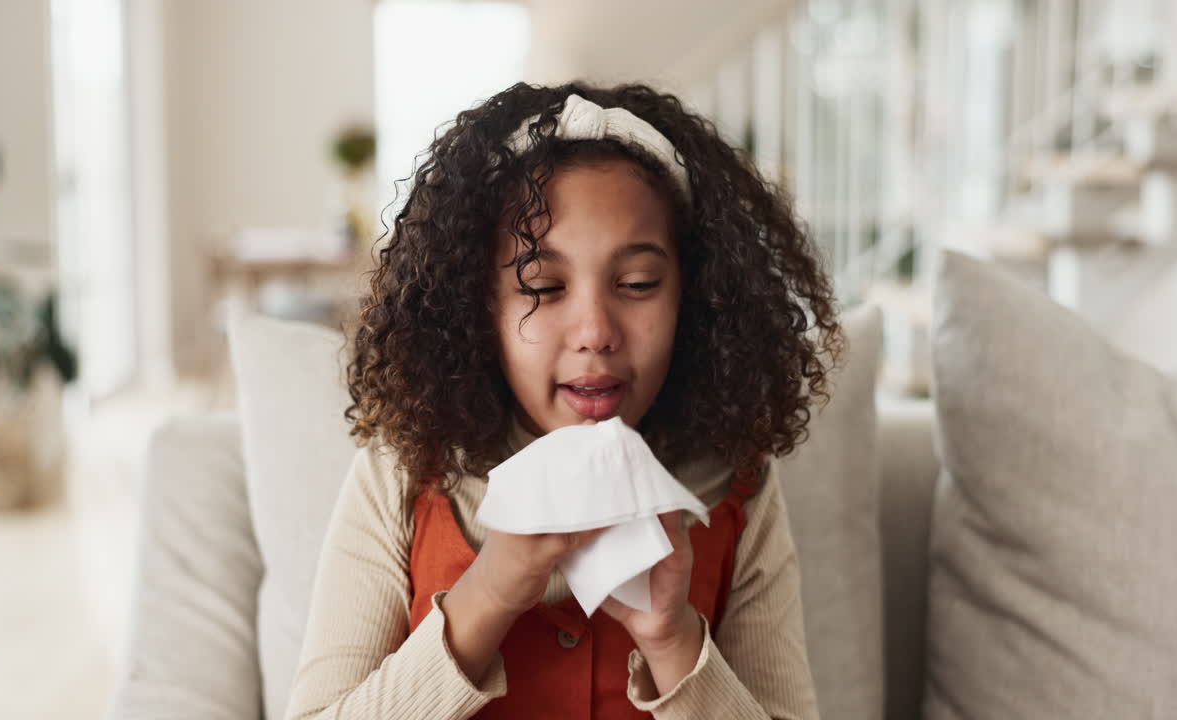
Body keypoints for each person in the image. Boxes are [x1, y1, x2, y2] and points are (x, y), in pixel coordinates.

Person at [284, 81, 841, 720]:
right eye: (543, 286)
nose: (596, 331)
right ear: (480, 306)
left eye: (637, 282)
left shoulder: (736, 486)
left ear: (694, 297)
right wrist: (489, 594)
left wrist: (674, 641)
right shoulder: (402, 473)